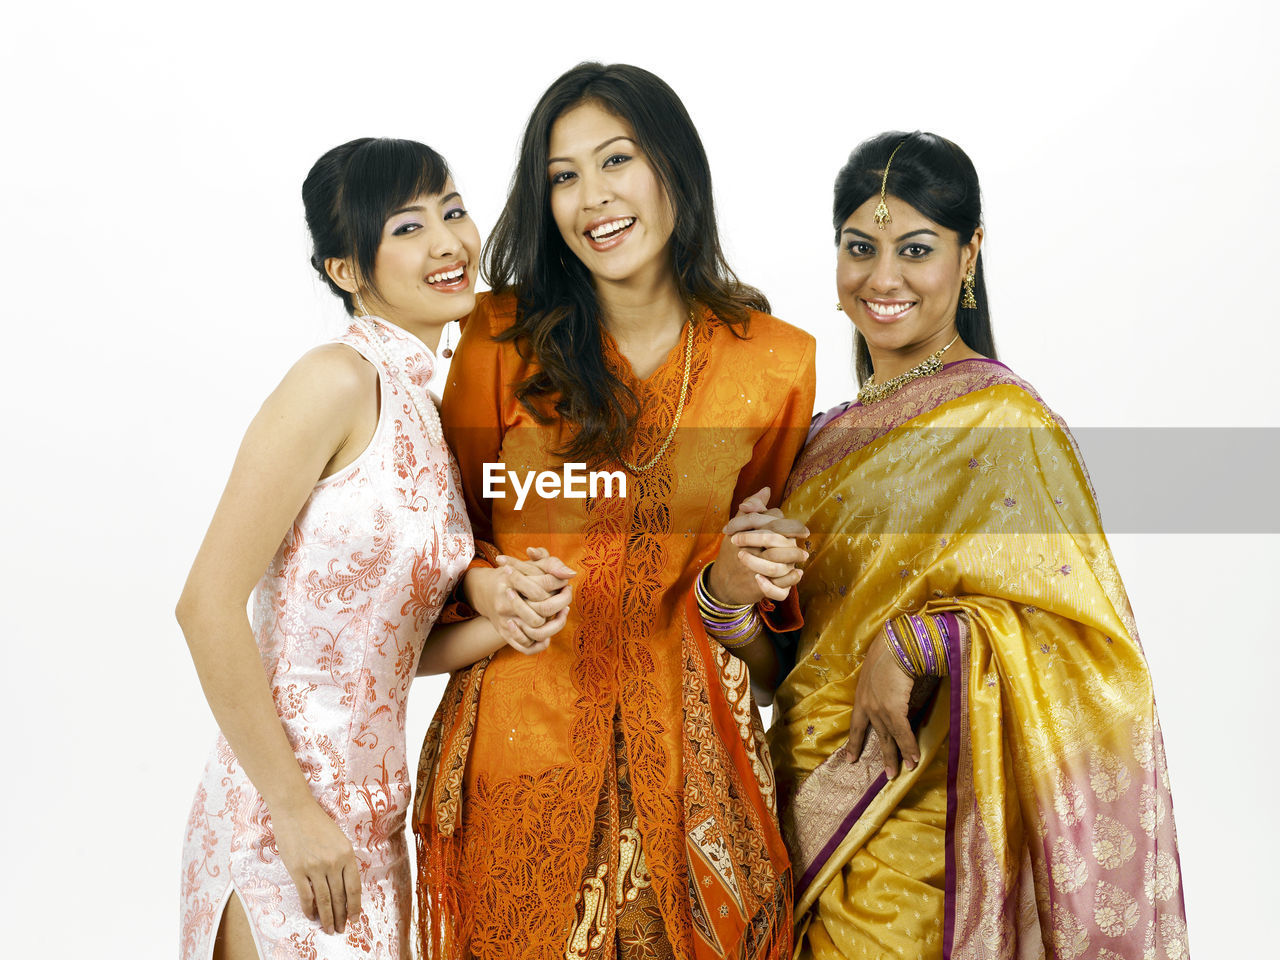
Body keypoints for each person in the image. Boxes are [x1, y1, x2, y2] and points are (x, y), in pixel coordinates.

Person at [414, 63, 816, 960]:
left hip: (694, 774)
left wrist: (733, 587)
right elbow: (437, 550)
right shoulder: (497, 340)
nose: (590, 197)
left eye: (616, 160)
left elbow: (777, 642)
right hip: (521, 756)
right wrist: (485, 583)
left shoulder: (777, 362)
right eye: (562, 176)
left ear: (675, 167)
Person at [768, 132, 1188, 959]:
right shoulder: (816, 438)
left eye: (915, 249)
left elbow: (1099, 659)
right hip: (794, 819)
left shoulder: (1006, 423)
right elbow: (790, 655)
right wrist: (725, 596)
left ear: (969, 257)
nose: (882, 279)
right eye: (861, 248)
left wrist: (922, 638)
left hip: (922, 840)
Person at [177, 138, 572, 960]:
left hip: (376, 823)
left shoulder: (431, 409)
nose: (448, 243)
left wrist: (510, 619)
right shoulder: (335, 379)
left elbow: (394, 648)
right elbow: (205, 605)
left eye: (454, 212)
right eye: (407, 227)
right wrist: (291, 807)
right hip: (279, 820)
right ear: (346, 269)